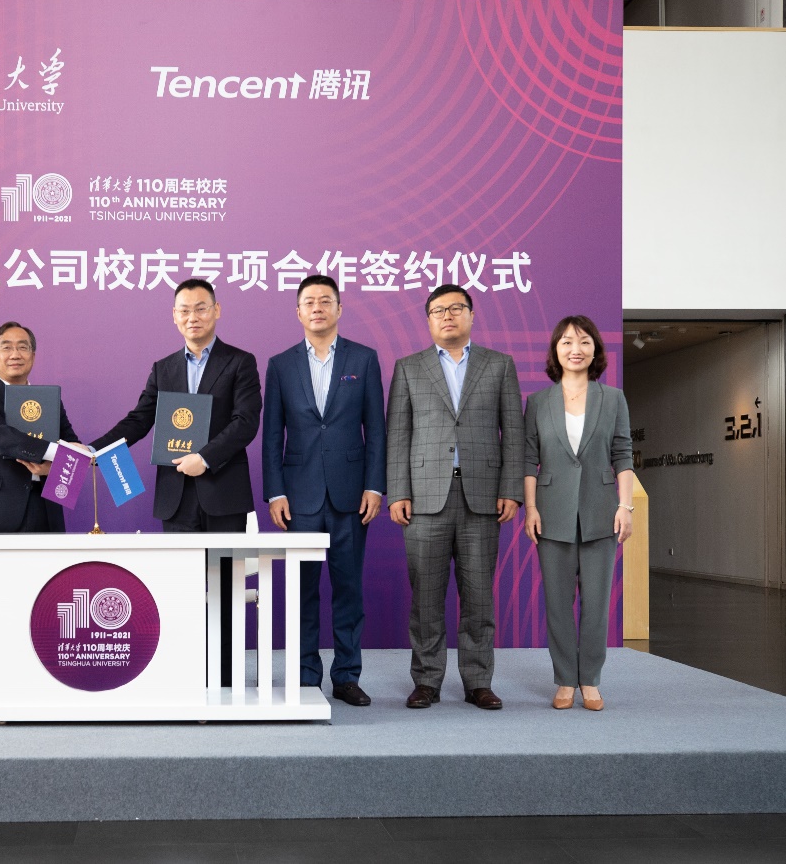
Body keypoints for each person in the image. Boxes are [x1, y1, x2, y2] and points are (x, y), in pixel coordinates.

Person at [91, 277, 261, 684]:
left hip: (223, 492)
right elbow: (139, 420)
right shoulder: (163, 368)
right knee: (183, 589)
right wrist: (94, 449)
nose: (193, 317)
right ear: (174, 316)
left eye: (201, 308)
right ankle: (187, 674)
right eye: (184, 310)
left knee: (225, 587)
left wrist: (206, 457)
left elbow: (245, 421)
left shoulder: (240, 362)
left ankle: (225, 675)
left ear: (217, 310)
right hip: (176, 497)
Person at [386, 284, 523, 711]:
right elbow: (398, 434)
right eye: (439, 310)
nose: (448, 315)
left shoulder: (499, 365)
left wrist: (511, 489)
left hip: (482, 496)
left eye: (456, 308)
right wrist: (398, 491)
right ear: (428, 320)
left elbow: (513, 431)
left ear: (471, 315)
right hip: (424, 498)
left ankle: (478, 681)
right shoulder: (409, 368)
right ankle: (427, 681)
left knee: (479, 596)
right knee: (426, 598)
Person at [262, 275, 385, 706]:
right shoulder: (280, 365)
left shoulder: (363, 359)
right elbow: (272, 434)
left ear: (339, 309)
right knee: (303, 590)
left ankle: (347, 676)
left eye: (325, 301)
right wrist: (275, 492)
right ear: (298, 312)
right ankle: (305, 675)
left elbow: (376, 429)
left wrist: (374, 485)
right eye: (309, 301)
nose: (317, 308)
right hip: (299, 496)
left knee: (348, 589)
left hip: (351, 494)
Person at [523, 315, 634, 711]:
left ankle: (590, 679)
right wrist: (530, 508)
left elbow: (623, 454)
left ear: (595, 350)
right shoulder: (538, 402)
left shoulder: (613, 398)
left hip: (601, 511)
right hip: (551, 512)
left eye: (584, 341)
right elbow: (528, 459)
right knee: (557, 603)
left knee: (597, 604)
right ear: (556, 350)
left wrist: (625, 506)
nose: (576, 349)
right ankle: (565, 680)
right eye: (567, 342)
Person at [0, 322, 81, 686]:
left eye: (23, 347)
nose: (15, 354)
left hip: (46, 510)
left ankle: (42, 679)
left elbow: (75, 451)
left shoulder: (50, 399)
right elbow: (0, 438)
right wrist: (55, 453)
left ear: (33, 355)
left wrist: (59, 462)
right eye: (7, 347)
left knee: (48, 602)